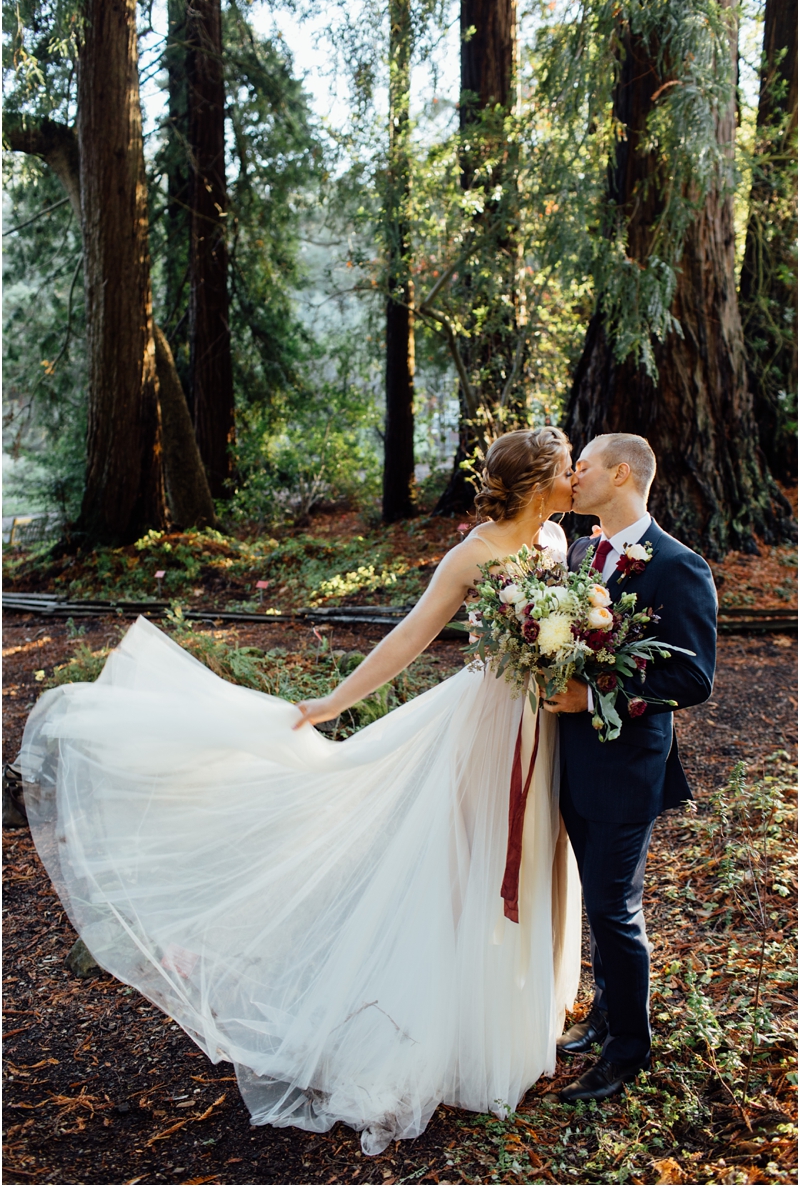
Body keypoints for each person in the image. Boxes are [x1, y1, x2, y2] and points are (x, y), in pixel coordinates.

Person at [17, 427, 581, 1157]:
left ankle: (521, 1015)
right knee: (472, 867)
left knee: (535, 858)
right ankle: (460, 1034)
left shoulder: (560, 547)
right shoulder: (472, 555)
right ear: (539, 481)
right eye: (567, 471)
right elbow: (409, 638)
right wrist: (333, 703)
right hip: (484, 729)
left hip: (544, 725)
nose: (576, 481)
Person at [542, 433, 717, 1103]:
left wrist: (596, 695)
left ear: (620, 475)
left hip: (629, 767)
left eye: (582, 466)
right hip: (573, 759)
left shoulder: (678, 565)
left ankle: (629, 1047)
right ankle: (608, 1013)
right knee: (597, 899)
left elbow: (694, 676)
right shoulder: (583, 552)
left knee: (615, 906)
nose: (572, 477)